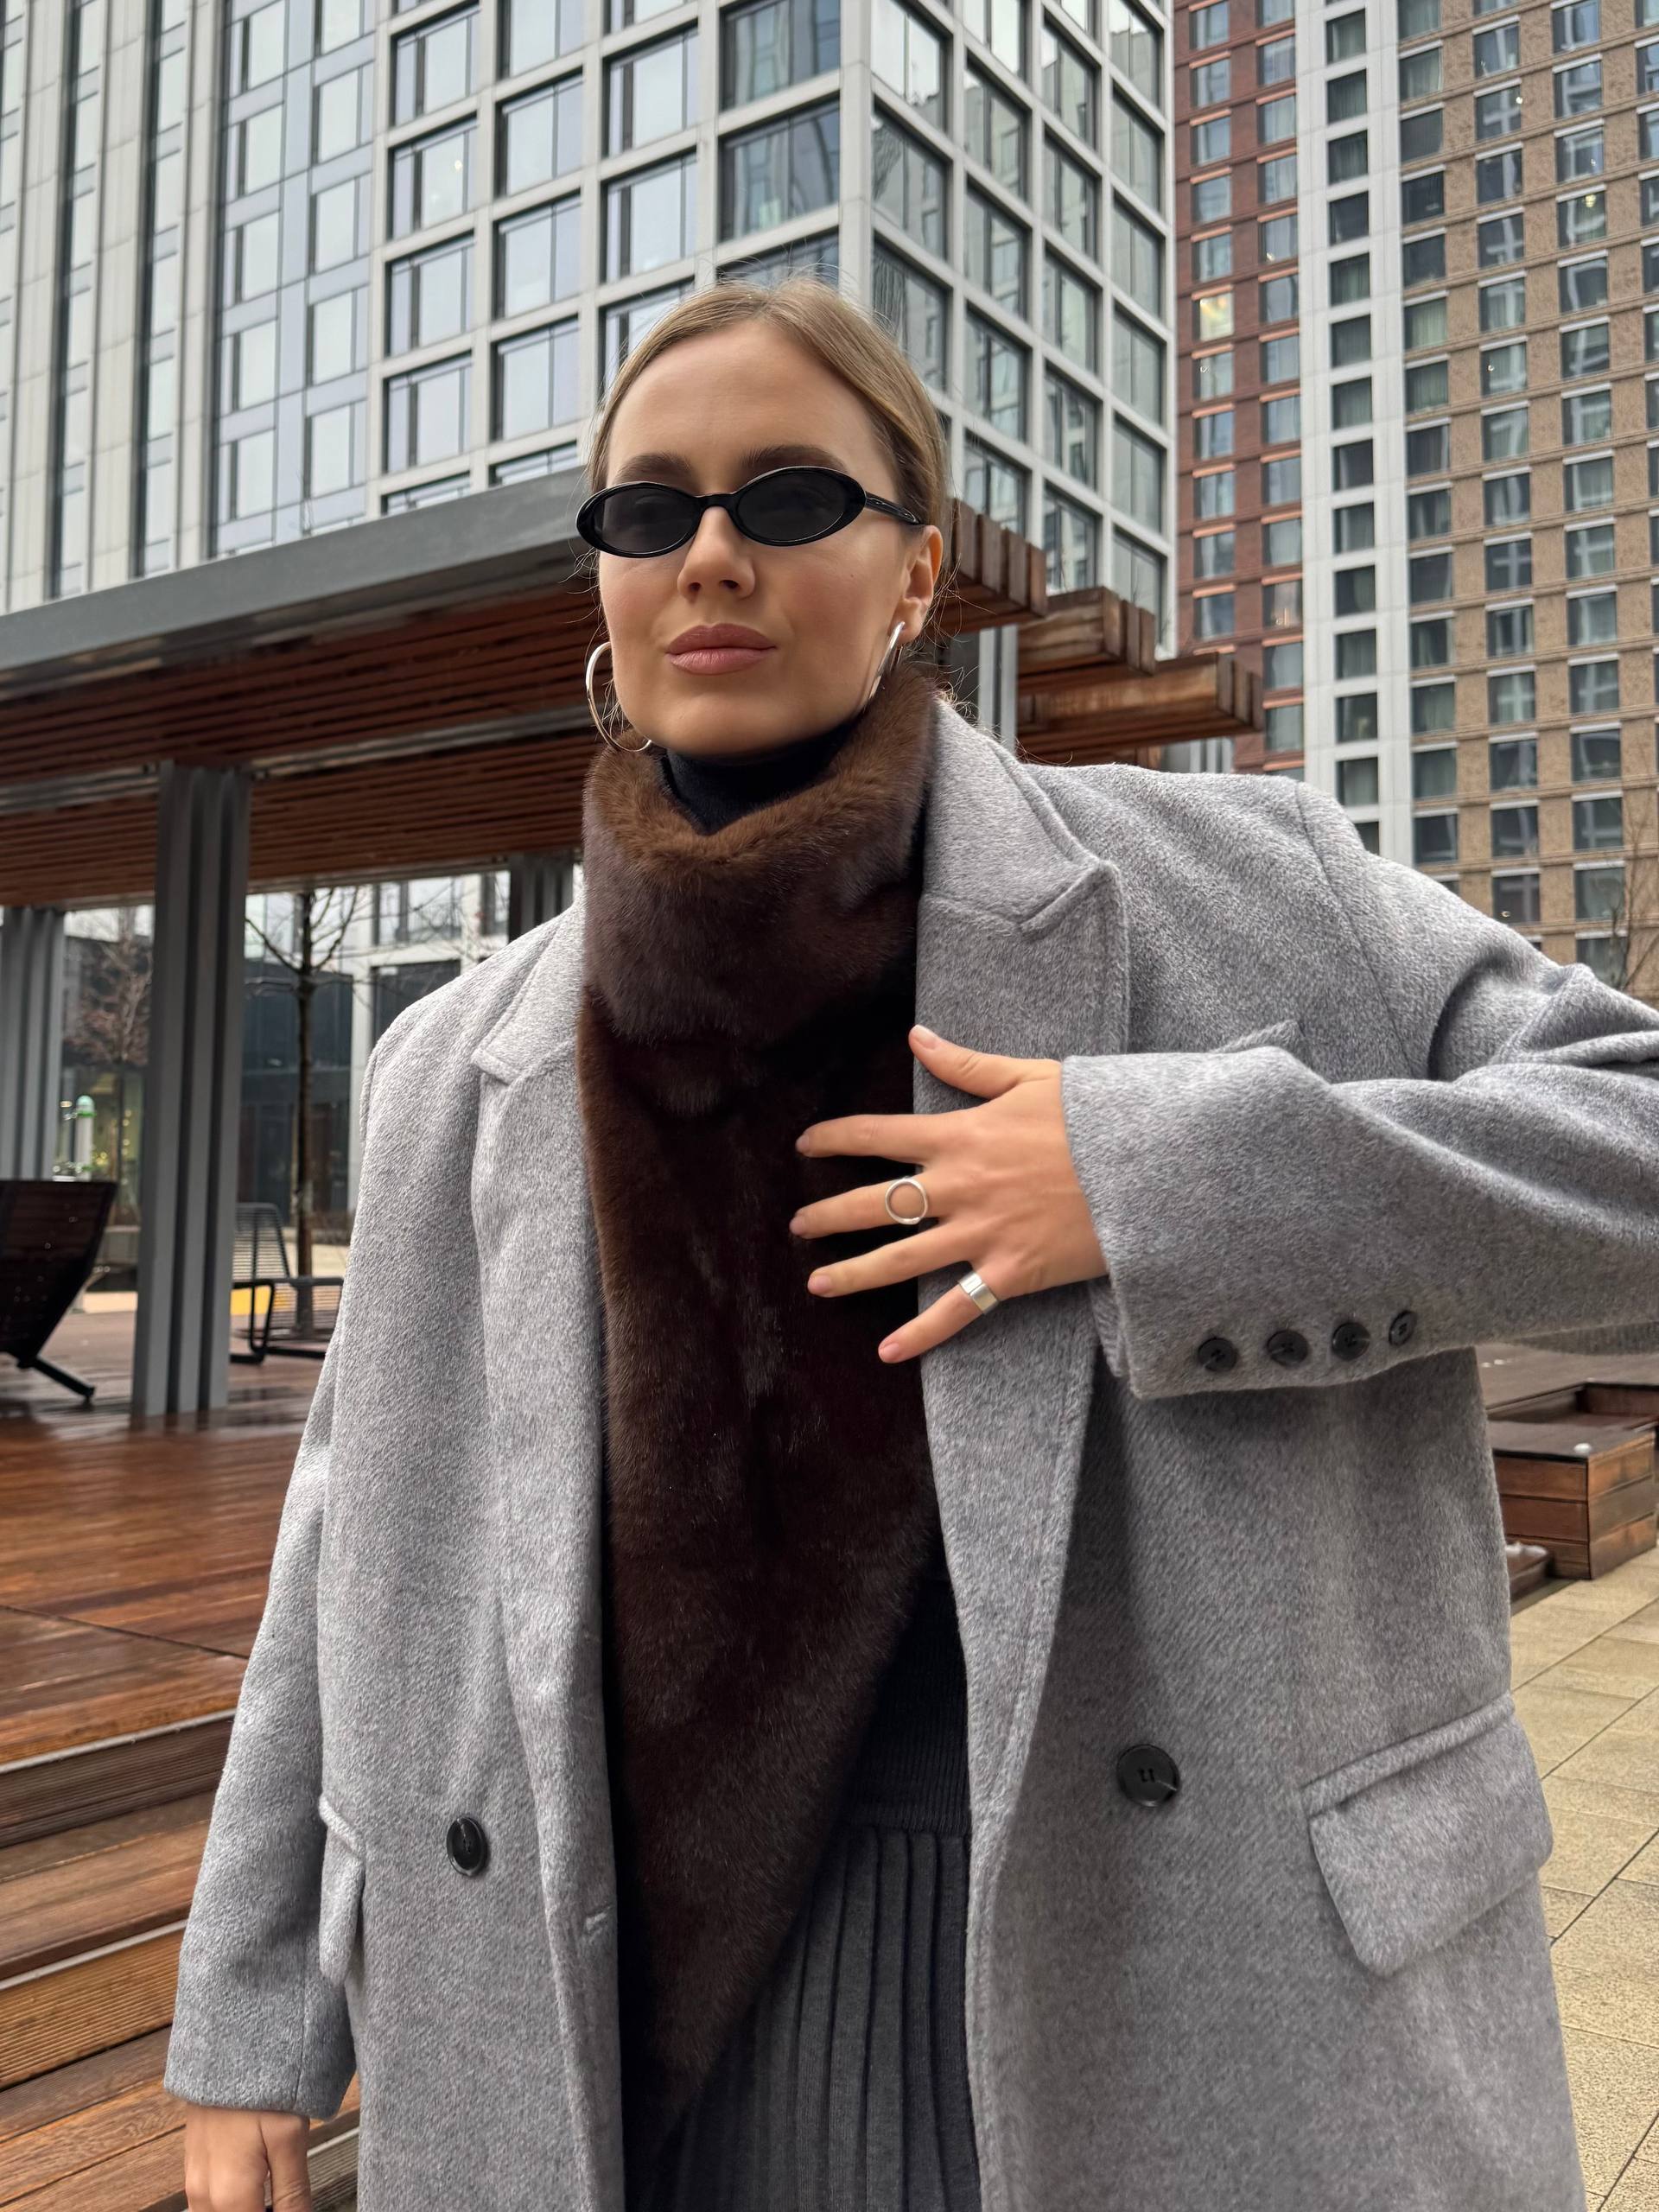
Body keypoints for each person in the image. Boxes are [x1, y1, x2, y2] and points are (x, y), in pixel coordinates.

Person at [165, 276, 1659, 2212]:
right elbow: (344, 1530)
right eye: (649, 508)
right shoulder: (456, 1056)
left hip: (1151, 1996)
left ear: (919, 572)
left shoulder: (1246, 891)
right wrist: (252, 2011)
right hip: (600, 2022)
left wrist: (1154, 1182)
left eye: (791, 497)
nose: (712, 553)